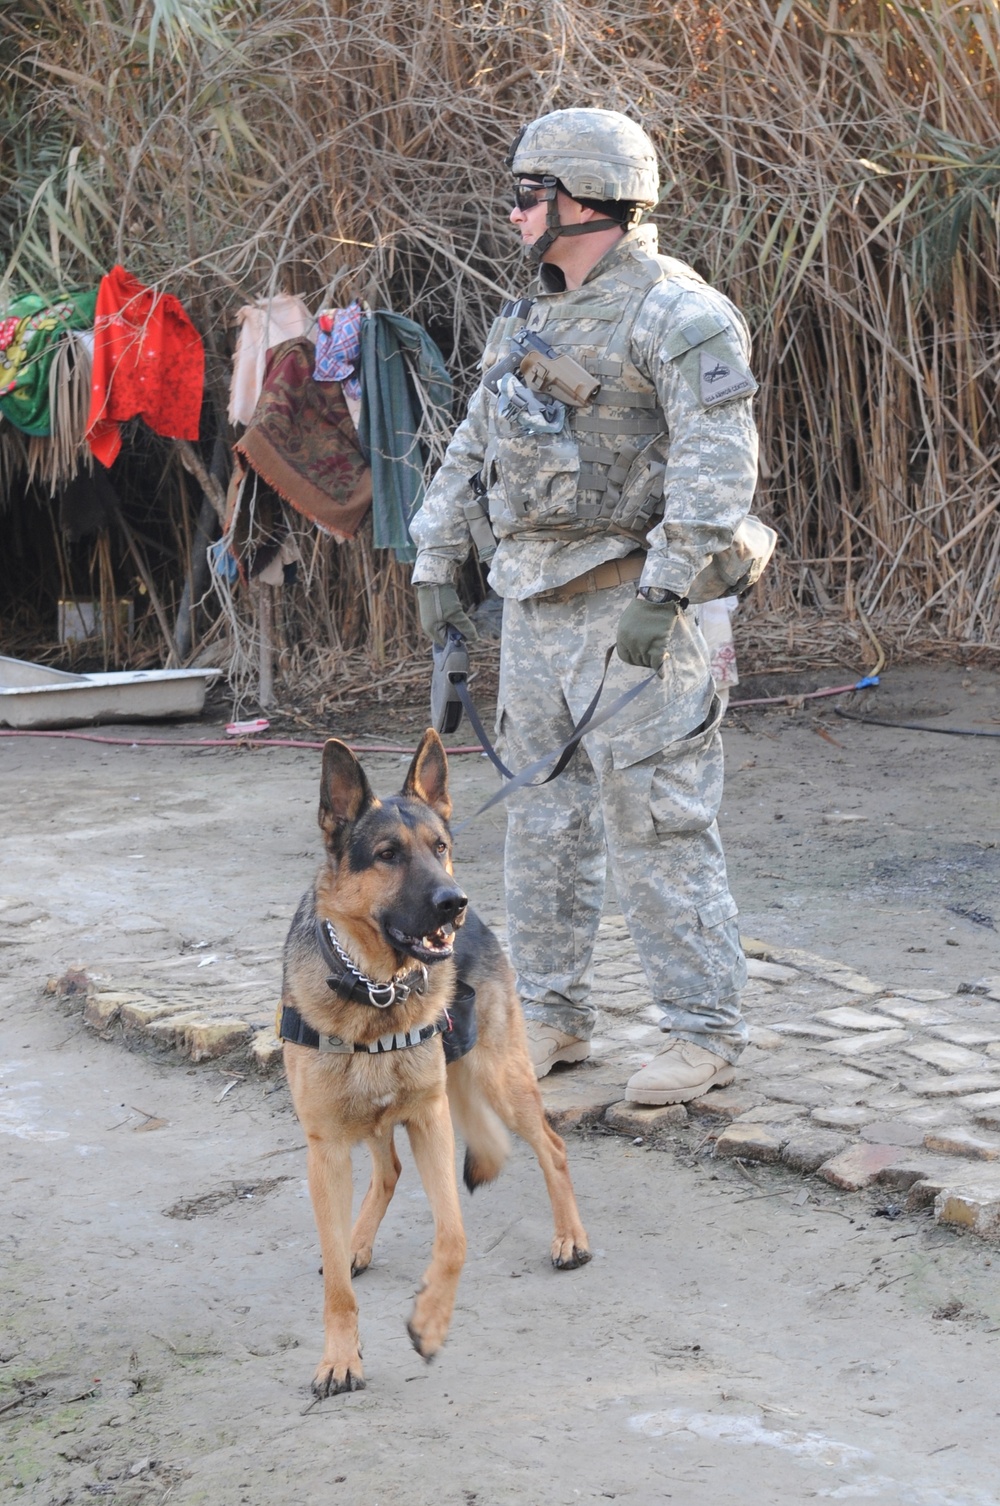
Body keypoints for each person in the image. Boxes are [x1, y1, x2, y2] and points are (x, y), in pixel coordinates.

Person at [409, 108, 759, 1105]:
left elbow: (715, 466)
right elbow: (474, 445)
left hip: (632, 616)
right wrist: (438, 557)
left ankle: (702, 1030)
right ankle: (556, 1016)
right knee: (544, 820)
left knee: (658, 819)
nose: (513, 211)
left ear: (582, 200)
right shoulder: (526, 319)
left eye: (527, 192)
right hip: (535, 611)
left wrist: (666, 587)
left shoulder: (678, 315)